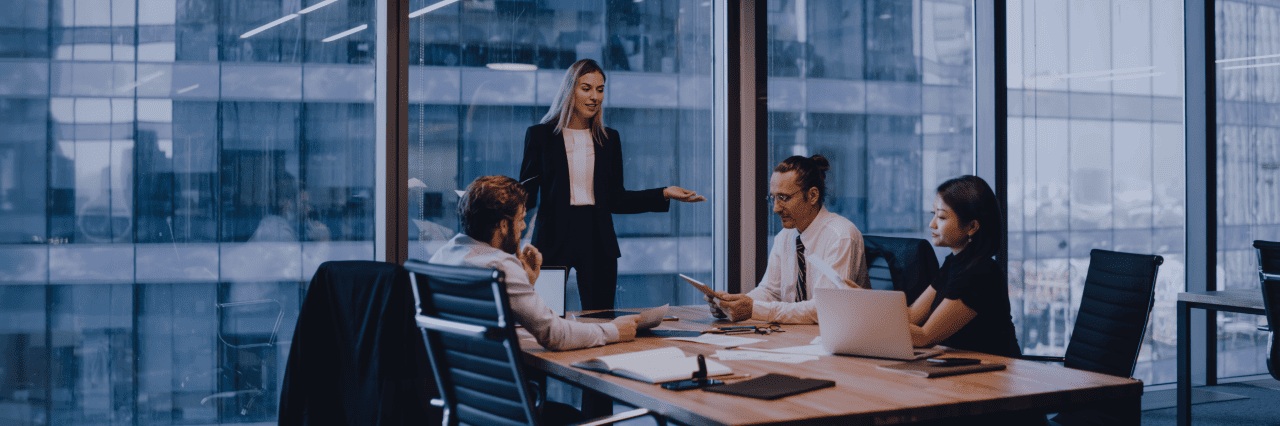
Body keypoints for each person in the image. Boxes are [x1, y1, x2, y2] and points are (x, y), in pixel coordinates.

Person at [519, 58, 705, 311]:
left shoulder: (609, 139)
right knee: (546, 316)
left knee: (601, 317)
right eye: (586, 88)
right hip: (551, 238)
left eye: (600, 89)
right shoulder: (540, 136)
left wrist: (663, 193)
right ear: (570, 90)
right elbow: (526, 195)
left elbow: (616, 199)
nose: (595, 96)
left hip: (597, 238)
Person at [429, 175, 640, 351]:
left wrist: (527, 281)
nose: (522, 227)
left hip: (466, 387)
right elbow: (555, 335)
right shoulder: (501, 265)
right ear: (503, 225)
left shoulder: (443, 255)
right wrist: (613, 330)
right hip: (503, 393)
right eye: (520, 219)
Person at [709, 155, 870, 324]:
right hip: (799, 337)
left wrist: (753, 310)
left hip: (840, 339)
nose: (776, 208)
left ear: (813, 196)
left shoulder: (840, 236)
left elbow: (824, 308)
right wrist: (734, 304)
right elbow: (771, 292)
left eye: (784, 198)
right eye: (773, 198)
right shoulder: (786, 236)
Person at [906, 175, 1021, 357]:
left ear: (972, 227)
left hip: (993, 375)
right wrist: (863, 303)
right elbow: (912, 315)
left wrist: (867, 321)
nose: (932, 224)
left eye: (942, 217)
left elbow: (924, 337)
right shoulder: (954, 262)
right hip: (963, 368)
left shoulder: (981, 272)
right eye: (933, 214)